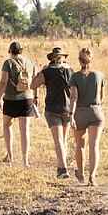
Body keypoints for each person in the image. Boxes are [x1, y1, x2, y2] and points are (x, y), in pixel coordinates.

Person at [33, 45, 77, 179]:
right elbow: (75, 91)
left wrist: (40, 72)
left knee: (59, 140)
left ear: (52, 58)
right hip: (67, 109)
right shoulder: (70, 71)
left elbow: (33, 84)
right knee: (62, 140)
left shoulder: (47, 71)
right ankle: (62, 166)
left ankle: (62, 169)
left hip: (53, 109)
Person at [70, 45, 106, 184]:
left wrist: (71, 115)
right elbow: (101, 97)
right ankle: (92, 176)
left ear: (79, 60)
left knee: (80, 145)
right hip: (96, 112)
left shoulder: (75, 77)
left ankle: (80, 174)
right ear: (91, 59)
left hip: (80, 112)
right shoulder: (99, 75)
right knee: (94, 145)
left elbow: (74, 98)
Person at [0, 40, 37, 165]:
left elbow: (3, 82)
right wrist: (35, 97)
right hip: (27, 98)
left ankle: (10, 157)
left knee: (7, 125)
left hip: (11, 98)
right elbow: (34, 81)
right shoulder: (30, 62)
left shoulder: (8, 63)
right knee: (24, 130)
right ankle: (25, 161)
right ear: (21, 51)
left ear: (10, 51)